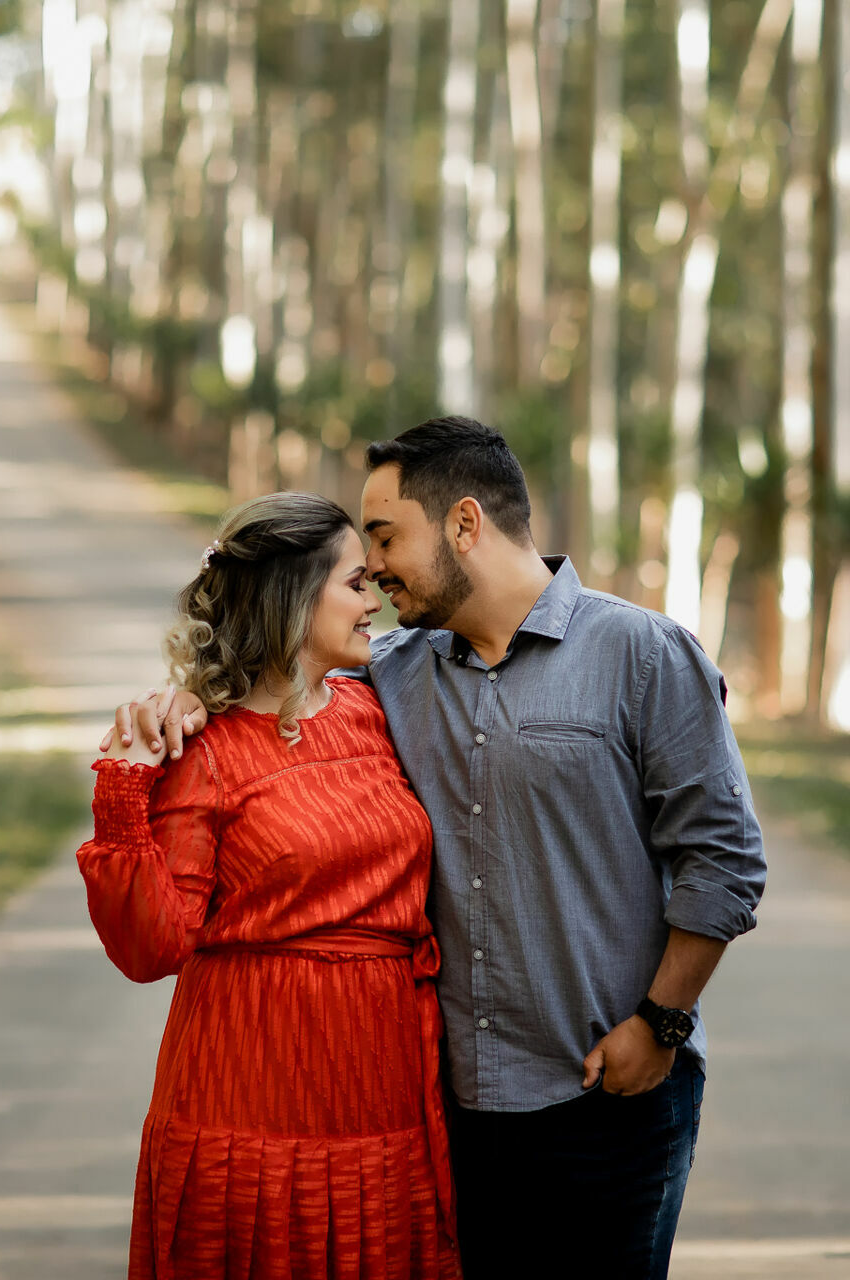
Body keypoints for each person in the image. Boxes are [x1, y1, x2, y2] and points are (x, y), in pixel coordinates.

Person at [118, 417, 767, 1278]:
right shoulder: (391, 673)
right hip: (456, 1110)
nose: (376, 570)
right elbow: (274, 687)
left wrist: (662, 1023)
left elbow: (724, 860)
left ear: (465, 524)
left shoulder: (642, 654)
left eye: (385, 538)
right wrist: (180, 707)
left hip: (613, 1091)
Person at [79, 491, 460, 1280]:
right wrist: (123, 796)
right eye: (356, 582)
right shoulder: (204, 750)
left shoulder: (376, 706)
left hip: (378, 1081)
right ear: (294, 597)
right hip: (248, 1083)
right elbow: (153, 948)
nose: (375, 599)